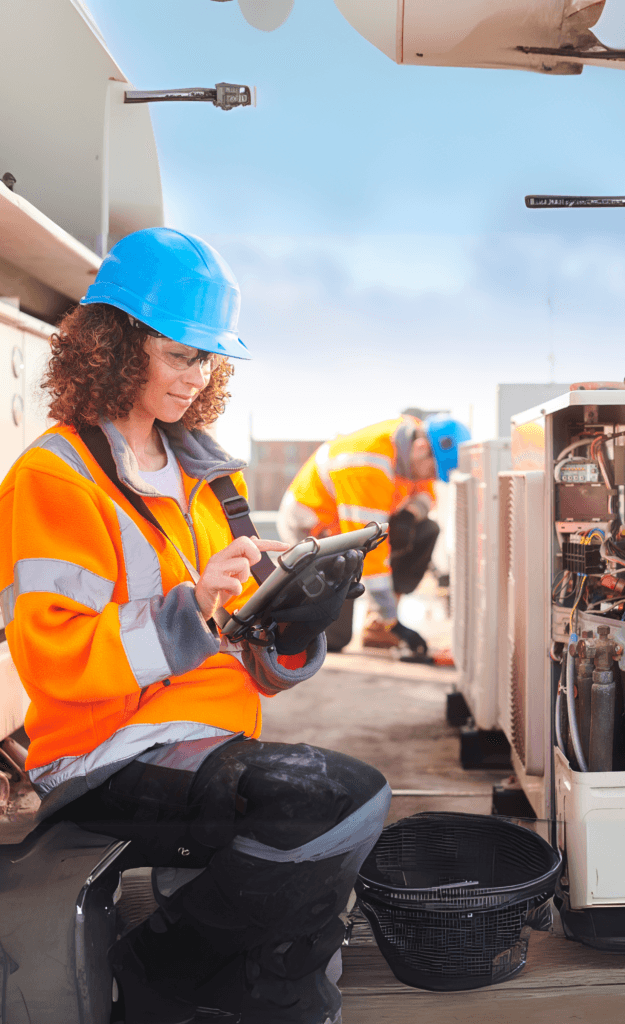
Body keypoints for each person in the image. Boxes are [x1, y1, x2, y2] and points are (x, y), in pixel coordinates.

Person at [0, 227, 390, 1024]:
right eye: (179, 353)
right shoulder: (54, 479)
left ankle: (263, 991)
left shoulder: (207, 476)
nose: (197, 375)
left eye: (208, 358)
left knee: (318, 872)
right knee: (334, 804)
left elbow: (248, 660)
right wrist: (196, 610)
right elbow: (57, 662)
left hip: (208, 736)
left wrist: (291, 617)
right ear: (113, 344)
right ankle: (159, 973)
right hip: (104, 751)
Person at [277, 415, 470, 654]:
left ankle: (377, 627)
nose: (429, 478)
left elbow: (427, 495)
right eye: (431, 471)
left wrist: (409, 516)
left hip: (354, 525)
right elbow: (370, 554)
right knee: (333, 639)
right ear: (421, 449)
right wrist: (395, 623)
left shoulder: (413, 442)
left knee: (425, 531)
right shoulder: (368, 465)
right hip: (313, 532)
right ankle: (378, 620)